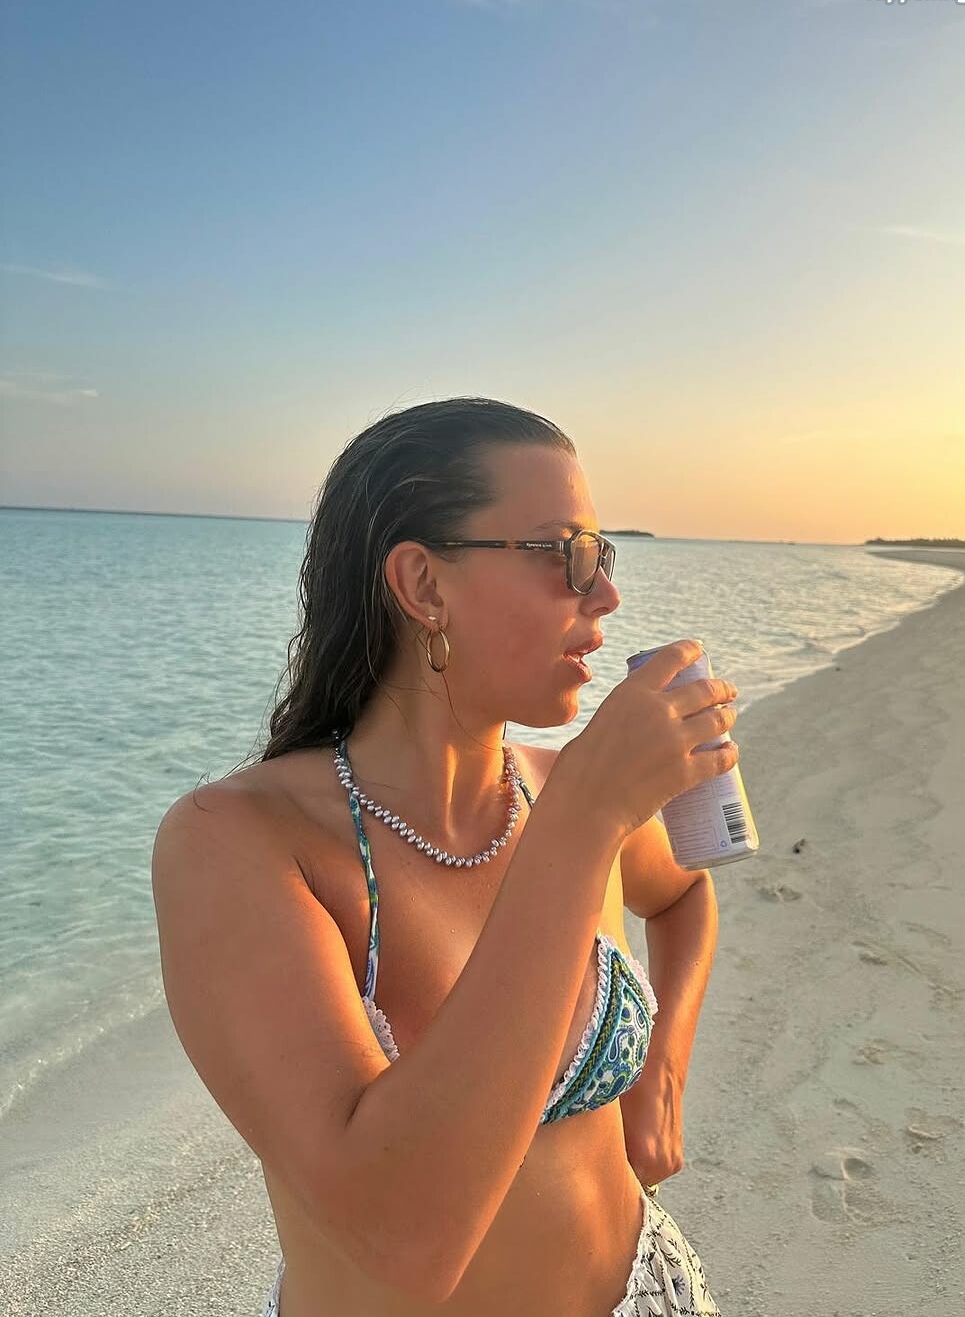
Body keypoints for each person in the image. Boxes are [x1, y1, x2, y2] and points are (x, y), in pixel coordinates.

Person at [152, 397, 739, 1316]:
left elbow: (681, 896)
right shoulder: (239, 843)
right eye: (565, 554)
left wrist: (663, 1067)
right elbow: (401, 1244)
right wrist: (582, 822)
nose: (605, 595)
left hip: (649, 1289)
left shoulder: (561, 790)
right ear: (424, 585)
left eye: (603, 555)